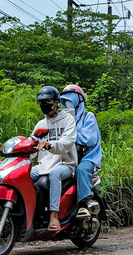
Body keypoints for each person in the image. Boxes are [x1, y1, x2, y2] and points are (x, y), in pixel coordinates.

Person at [29, 86, 78, 231]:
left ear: (57, 102)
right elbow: (31, 143)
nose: (45, 104)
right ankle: (30, 214)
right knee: (25, 174)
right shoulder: (41, 124)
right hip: (43, 164)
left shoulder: (68, 119)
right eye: (41, 102)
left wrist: (51, 145)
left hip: (65, 164)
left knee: (54, 174)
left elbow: (67, 142)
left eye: (48, 101)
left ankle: (54, 215)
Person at [60, 84, 102, 219]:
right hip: (68, 156)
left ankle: (85, 202)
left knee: (81, 170)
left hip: (87, 157)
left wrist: (70, 134)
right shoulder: (62, 119)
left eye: (70, 100)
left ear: (79, 100)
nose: (68, 104)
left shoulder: (88, 117)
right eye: (65, 101)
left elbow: (88, 139)